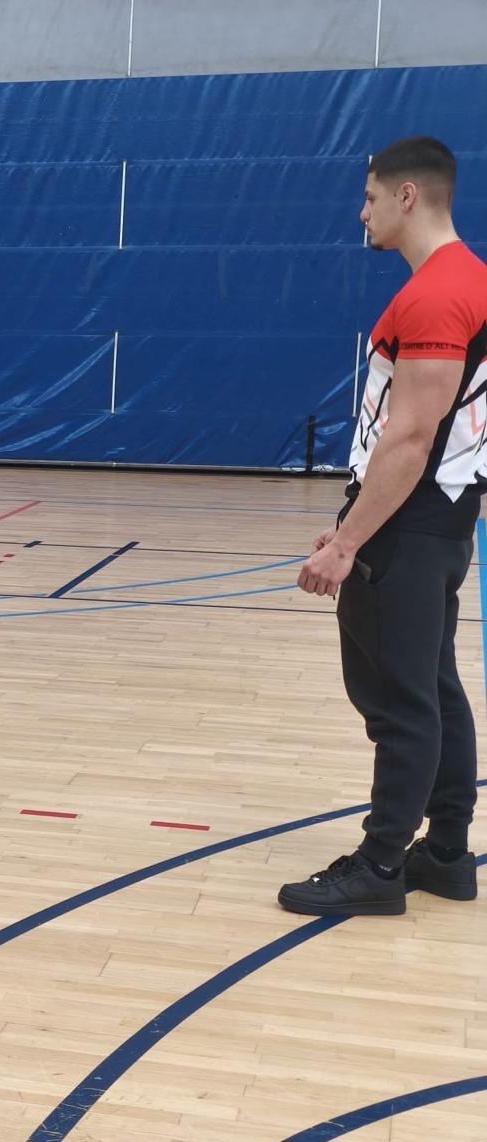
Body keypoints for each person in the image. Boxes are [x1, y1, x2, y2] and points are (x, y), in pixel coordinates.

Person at [283, 136, 487, 917]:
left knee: (400, 700)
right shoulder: (468, 283)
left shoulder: (439, 293)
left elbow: (409, 438)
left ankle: (379, 866)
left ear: (408, 197)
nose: (360, 212)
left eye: (369, 197)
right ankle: (445, 854)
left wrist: (347, 542)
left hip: (409, 526)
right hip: (437, 523)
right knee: (432, 687)